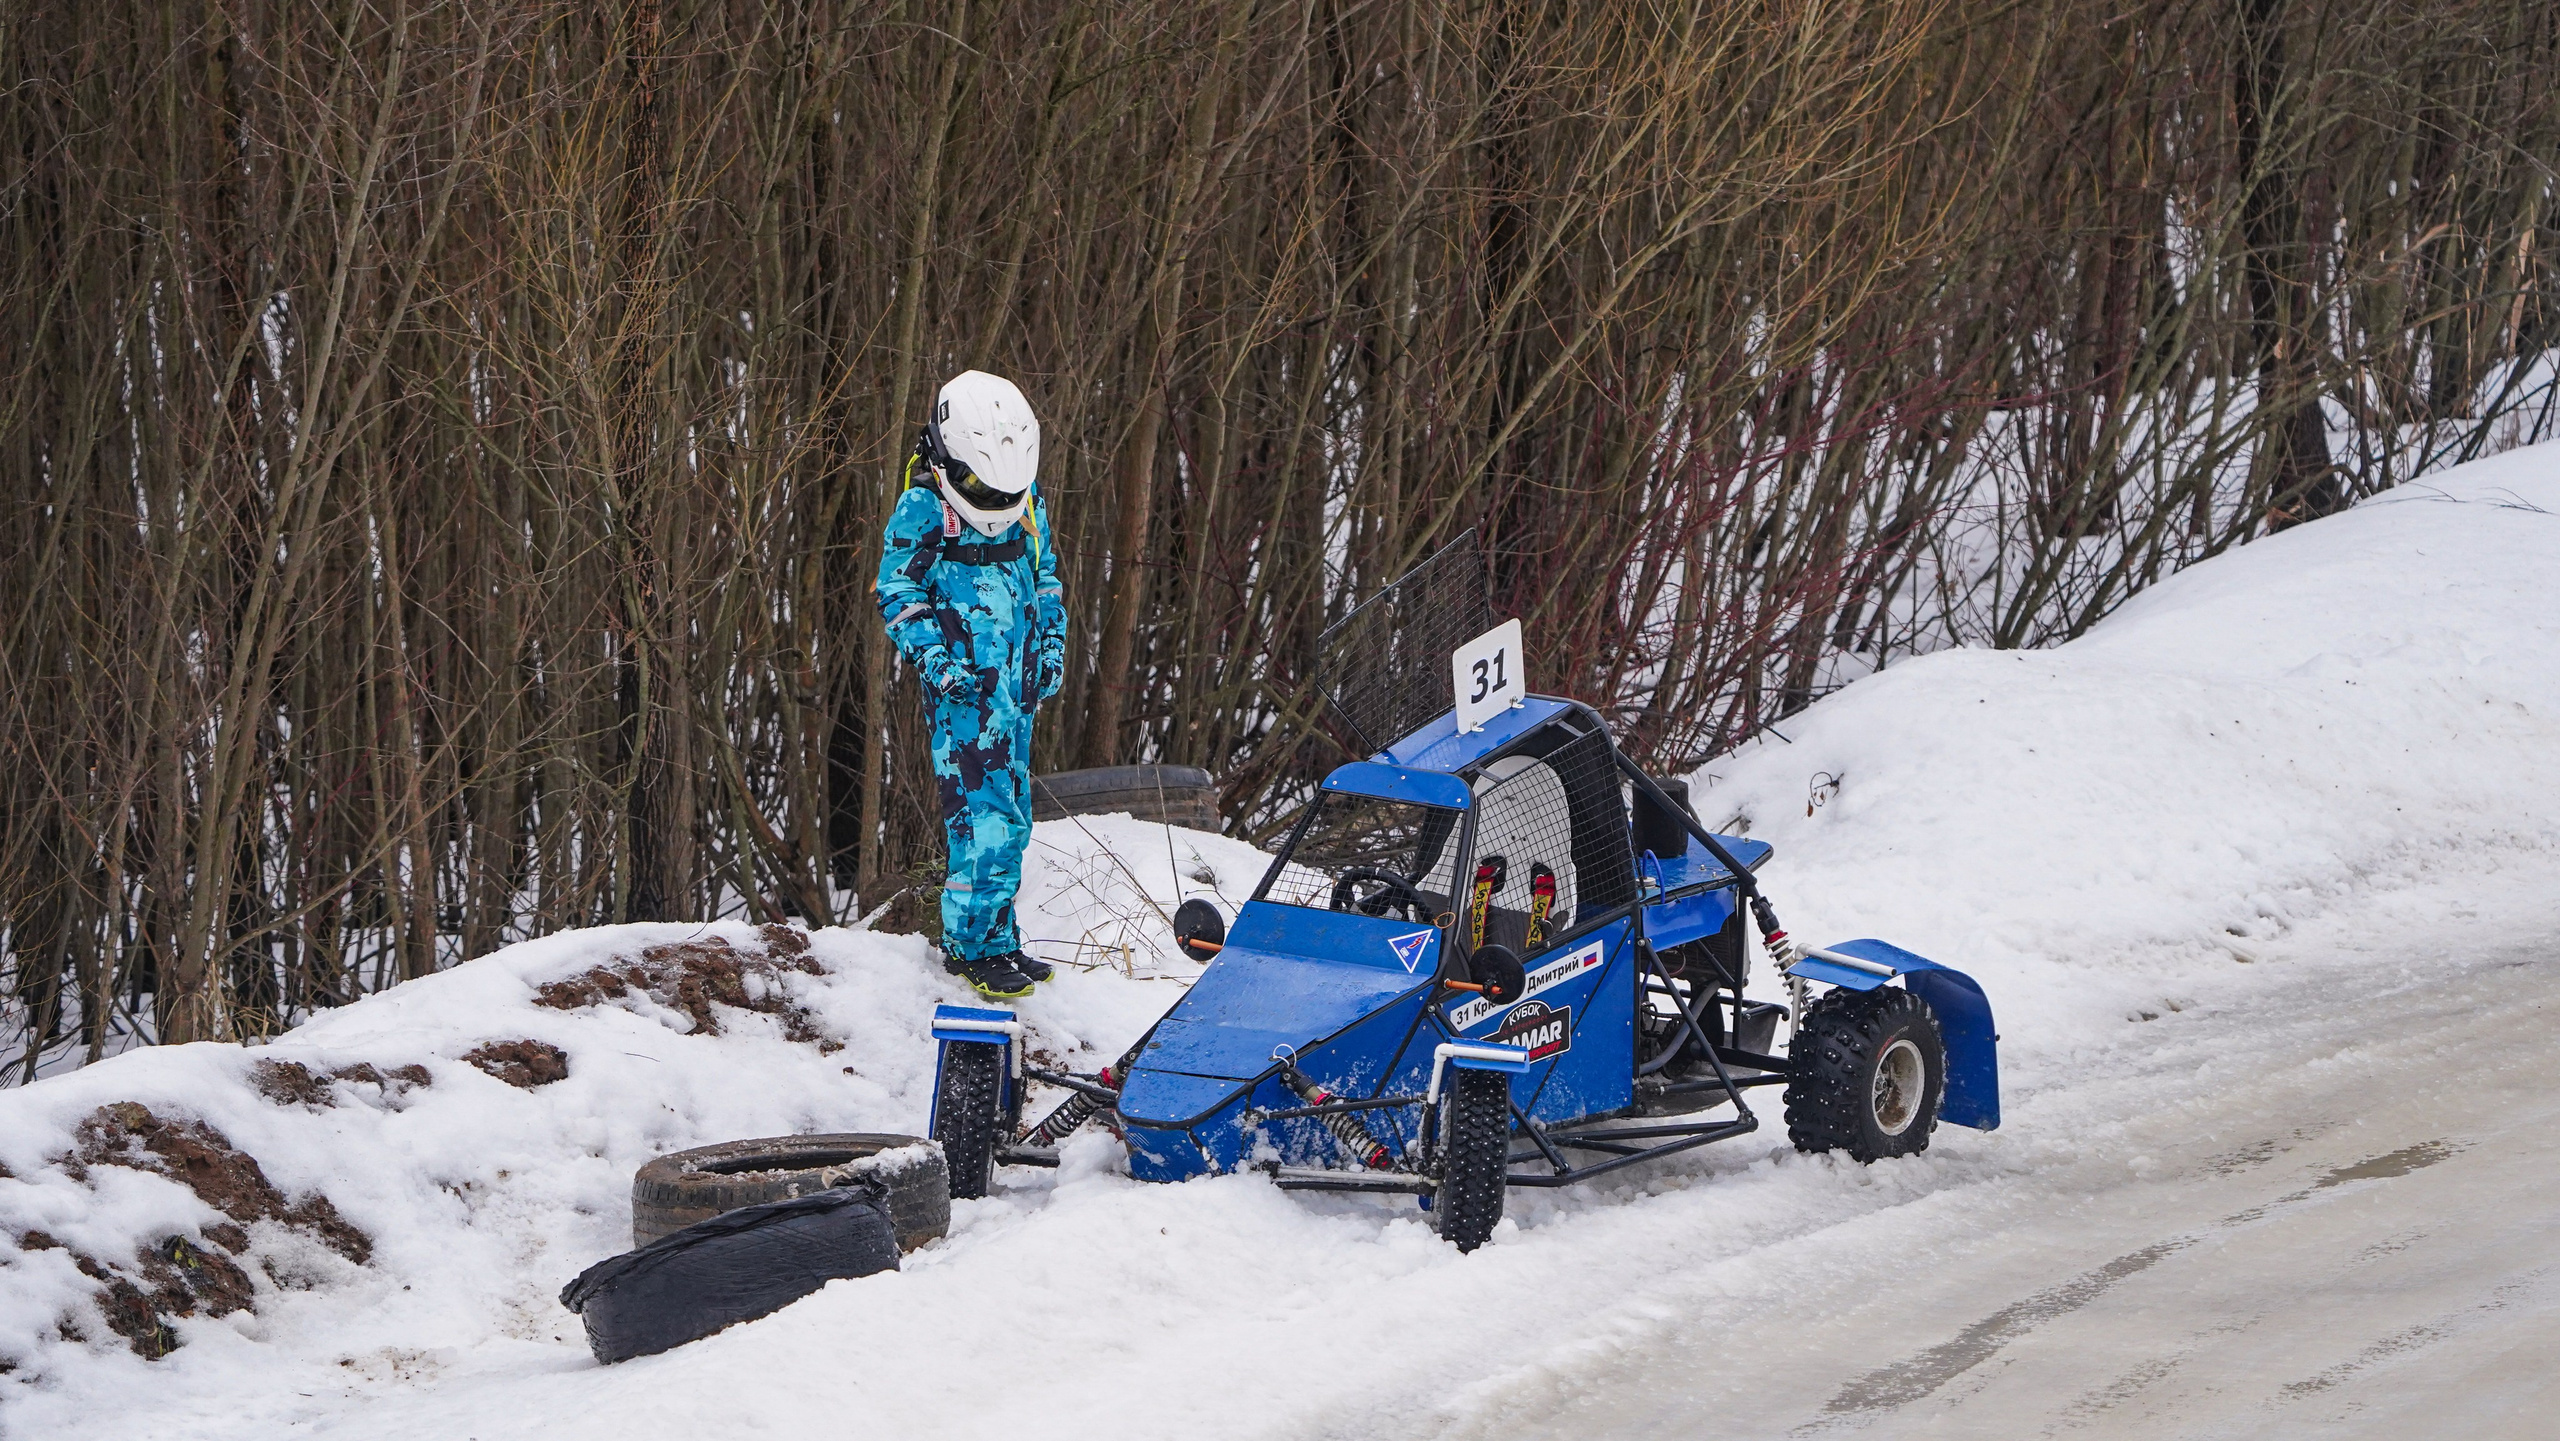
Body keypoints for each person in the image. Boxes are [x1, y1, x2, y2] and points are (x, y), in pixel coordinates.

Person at [875, 371, 1068, 998]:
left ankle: (998, 937)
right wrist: (934, 661)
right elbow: (899, 591)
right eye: (980, 484)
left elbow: (1045, 578)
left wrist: (1049, 646)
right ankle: (967, 943)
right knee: (980, 818)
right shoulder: (925, 505)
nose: (990, 496)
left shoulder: (1026, 500)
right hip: (964, 690)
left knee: (1014, 814)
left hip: (1015, 684)